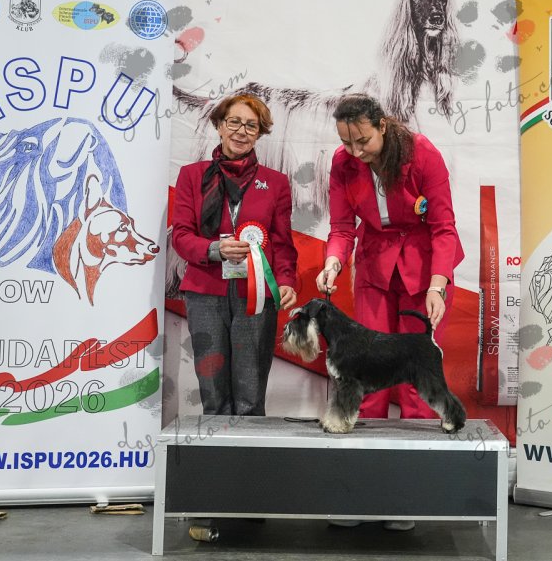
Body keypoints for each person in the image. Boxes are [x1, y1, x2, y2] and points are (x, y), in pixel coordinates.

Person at [315, 94, 464, 530]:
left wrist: (437, 285)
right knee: (362, 381)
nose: (355, 151)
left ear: (382, 126)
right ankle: (358, 495)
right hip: (375, 269)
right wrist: (333, 262)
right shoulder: (343, 163)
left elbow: (444, 227)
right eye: (347, 143)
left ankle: (406, 499)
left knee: (418, 386)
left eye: (362, 141)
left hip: (425, 270)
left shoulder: (423, 154)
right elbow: (342, 227)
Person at [172, 93, 298, 416]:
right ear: (219, 126)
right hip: (204, 293)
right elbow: (181, 236)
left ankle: (250, 450)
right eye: (234, 122)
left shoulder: (276, 183)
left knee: (250, 395)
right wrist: (215, 249)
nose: (241, 132)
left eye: (251, 126)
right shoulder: (191, 175)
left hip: (256, 296)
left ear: (259, 133)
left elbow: (283, 243)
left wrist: (286, 281)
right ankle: (216, 449)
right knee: (213, 394)